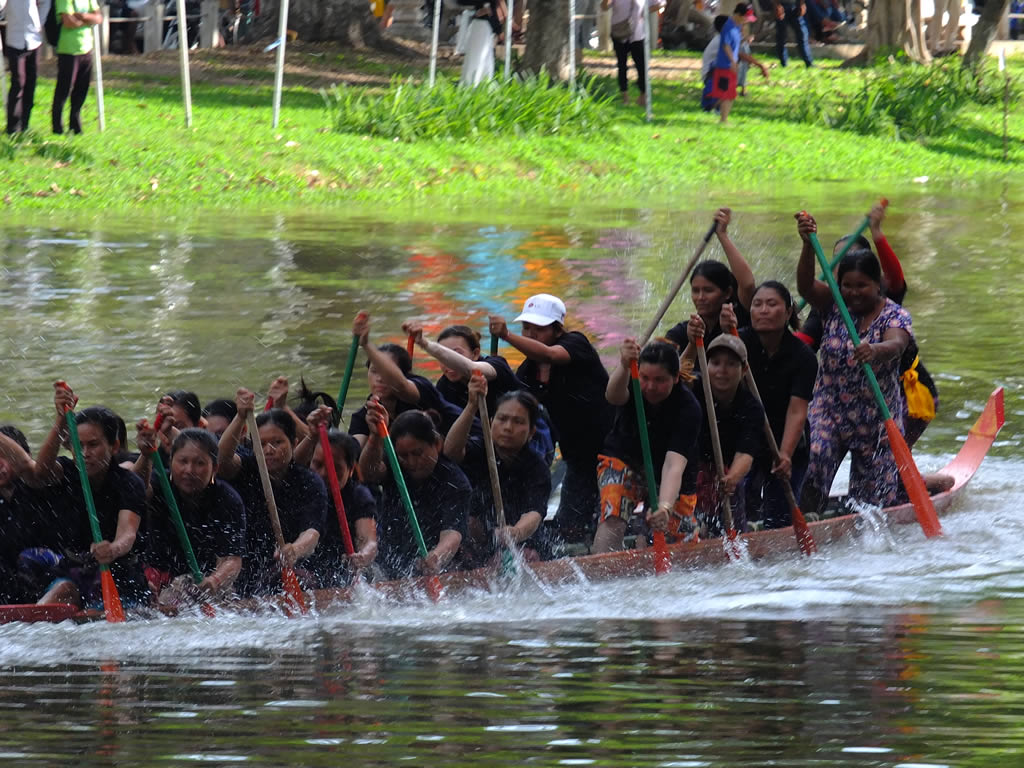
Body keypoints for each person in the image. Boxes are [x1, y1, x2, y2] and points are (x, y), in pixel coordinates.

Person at [796, 212, 914, 516]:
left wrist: (875, 350)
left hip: (877, 420)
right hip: (829, 410)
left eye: (861, 286)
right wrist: (808, 244)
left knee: (873, 508)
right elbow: (806, 287)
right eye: (847, 285)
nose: (852, 293)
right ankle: (805, 523)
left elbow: (897, 344)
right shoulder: (833, 303)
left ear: (878, 285)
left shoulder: (894, 314)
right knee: (813, 463)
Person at [798, 202, 938, 447]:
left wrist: (877, 233)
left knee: (893, 465)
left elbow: (895, 279)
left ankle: (910, 480)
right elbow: (802, 344)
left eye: (851, 259)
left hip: (907, 395)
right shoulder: (829, 304)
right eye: (838, 261)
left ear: (873, 279)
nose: (844, 268)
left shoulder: (884, 297)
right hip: (847, 404)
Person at [0, 385, 148, 608]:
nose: (85, 453)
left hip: (120, 576)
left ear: (114, 446)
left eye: (93, 445)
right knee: (63, 588)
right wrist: (61, 419)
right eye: (79, 445)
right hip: (74, 573)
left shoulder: (128, 483)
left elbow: (127, 535)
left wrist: (112, 549)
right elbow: (38, 472)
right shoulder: (65, 472)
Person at [489, 294, 613, 543]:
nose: (531, 334)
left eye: (540, 329)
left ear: (557, 330)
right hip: (577, 457)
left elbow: (550, 355)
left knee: (611, 518)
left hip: (613, 450)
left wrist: (507, 336)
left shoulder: (575, 343)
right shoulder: (526, 372)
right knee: (570, 528)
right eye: (526, 328)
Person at [592, 339, 702, 553]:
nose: (650, 387)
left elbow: (674, 466)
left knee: (676, 535)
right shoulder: (630, 382)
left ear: (676, 378)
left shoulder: (689, 408)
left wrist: (665, 507)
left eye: (660, 380)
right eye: (645, 378)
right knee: (613, 517)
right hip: (624, 461)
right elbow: (612, 396)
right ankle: (602, 574)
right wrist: (624, 365)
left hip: (668, 473)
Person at [723, 282, 818, 529]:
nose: (763, 310)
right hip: (746, 440)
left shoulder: (803, 356)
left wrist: (785, 454)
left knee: (779, 518)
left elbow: (797, 410)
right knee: (736, 507)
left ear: (788, 313)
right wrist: (724, 334)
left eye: (771, 304)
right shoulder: (737, 343)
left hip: (787, 444)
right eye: (757, 304)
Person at [217, 389, 327, 597]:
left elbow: (312, 533)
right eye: (263, 443)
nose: (269, 450)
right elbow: (221, 461)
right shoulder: (245, 468)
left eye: (277, 442)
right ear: (253, 444)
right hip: (247, 571)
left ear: (294, 444)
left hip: (297, 569)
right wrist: (240, 417)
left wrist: (294, 550)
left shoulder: (309, 481)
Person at [444, 375, 553, 566]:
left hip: (520, 542)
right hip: (475, 539)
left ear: (531, 432)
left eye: (518, 422)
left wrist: (515, 533)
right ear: (491, 421)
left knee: (524, 557)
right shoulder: (478, 450)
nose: (508, 428)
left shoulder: (536, 467)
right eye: (502, 419)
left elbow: (534, 513)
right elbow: (451, 450)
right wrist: (471, 405)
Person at [135, 426, 245, 608]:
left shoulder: (228, 499)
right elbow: (135, 489)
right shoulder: (158, 482)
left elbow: (232, 560)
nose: (189, 470)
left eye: (199, 463)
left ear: (215, 468)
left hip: (203, 582)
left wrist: (214, 581)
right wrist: (146, 455)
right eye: (182, 461)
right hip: (153, 578)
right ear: (170, 462)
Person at [358, 404, 469, 580]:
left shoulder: (455, 482)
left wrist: (435, 558)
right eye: (403, 455)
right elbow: (368, 473)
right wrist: (374, 437)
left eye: (417, 453)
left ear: (437, 444)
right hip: (390, 561)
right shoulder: (395, 464)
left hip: (437, 567)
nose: (411, 462)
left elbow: (452, 534)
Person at [688, 333, 766, 536]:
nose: (722, 371)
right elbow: (675, 376)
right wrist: (690, 342)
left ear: (744, 370)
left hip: (725, 473)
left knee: (733, 519)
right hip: (685, 470)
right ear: (705, 366)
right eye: (715, 363)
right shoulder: (692, 388)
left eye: (731, 364)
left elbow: (745, 454)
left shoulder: (751, 407)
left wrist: (732, 478)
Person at [347, 312, 461, 448]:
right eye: (374, 371)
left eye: (386, 373)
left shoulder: (421, 387)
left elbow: (400, 386)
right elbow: (354, 450)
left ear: (405, 374)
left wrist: (366, 345)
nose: (379, 379)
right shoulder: (367, 412)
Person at [295, 405, 378, 587]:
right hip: (305, 568)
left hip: (343, 572)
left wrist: (362, 556)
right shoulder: (303, 486)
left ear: (350, 470)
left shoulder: (359, 494)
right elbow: (293, 463)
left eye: (335, 469)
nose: (324, 474)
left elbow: (369, 541)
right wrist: (311, 435)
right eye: (317, 465)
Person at [666, 207, 756, 362]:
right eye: (695, 290)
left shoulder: (743, 318)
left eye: (708, 290)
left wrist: (722, 235)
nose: (700, 297)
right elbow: (670, 379)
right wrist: (693, 344)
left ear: (727, 293)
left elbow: (747, 284)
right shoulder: (681, 333)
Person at [51, 0, 101, 135]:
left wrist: (82, 17)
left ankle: (75, 124)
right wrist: (88, 20)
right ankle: (57, 126)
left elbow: (98, 17)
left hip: (86, 48)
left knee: (82, 89)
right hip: (68, 49)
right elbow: (68, 21)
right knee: (64, 89)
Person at [1, 0, 51, 134]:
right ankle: (13, 127)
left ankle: (25, 124)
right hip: (15, 39)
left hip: (34, 40)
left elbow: (45, 2)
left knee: (31, 82)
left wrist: (39, 23)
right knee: (18, 82)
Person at [603, 0, 662, 107]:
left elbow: (660, 4)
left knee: (641, 65)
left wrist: (644, 12)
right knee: (622, 64)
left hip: (637, 33)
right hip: (619, 32)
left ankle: (643, 95)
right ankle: (624, 95)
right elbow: (604, 7)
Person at [456, 0, 502, 86]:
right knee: (477, 55)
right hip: (480, 25)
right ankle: (473, 80)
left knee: (482, 55)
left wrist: (498, 30)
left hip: (484, 26)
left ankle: (479, 79)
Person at [771, 0, 813, 67]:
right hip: (781, 5)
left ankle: (809, 62)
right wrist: (776, 5)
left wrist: (802, 3)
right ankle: (783, 63)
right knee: (781, 36)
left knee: (802, 34)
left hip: (795, 5)